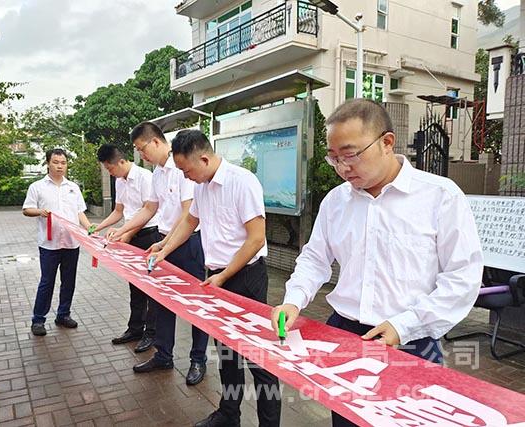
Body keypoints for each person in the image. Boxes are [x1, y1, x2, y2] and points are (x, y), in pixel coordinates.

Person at [270, 99, 484, 427]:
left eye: (351, 154)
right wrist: (293, 300)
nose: (342, 168)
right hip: (344, 333)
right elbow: (315, 259)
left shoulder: (440, 197)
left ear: (386, 143)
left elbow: (463, 277)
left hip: (409, 339)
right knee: (346, 420)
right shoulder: (336, 201)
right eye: (334, 158)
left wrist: (405, 325)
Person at [149, 129, 281, 427]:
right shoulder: (202, 186)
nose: (185, 177)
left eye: (187, 170)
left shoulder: (242, 182)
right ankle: (228, 414)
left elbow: (256, 239)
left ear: (204, 158)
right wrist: (164, 247)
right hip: (217, 277)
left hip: (245, 277)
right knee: (226, 351)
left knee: (257, 356)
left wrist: (223, 277)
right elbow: (190, 222)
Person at [110, 122, 209, 386]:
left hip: (187, 244)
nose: (141, 155)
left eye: (142, 149)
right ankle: (163, 354)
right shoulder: (156, 173)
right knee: (161, 302)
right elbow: (149, 209)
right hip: (163, 243)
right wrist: (124, 230)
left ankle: (198, 359)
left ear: (155, 142)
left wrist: (167, 243)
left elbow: (190, 214)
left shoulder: (182, 167)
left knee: (195, 305)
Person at [93, 144, 161, 353]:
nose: (110, 173)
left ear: (121, 161)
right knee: (135, 286)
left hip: (149, 235)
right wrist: (98, 226)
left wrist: (125, 232)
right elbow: (118, 211)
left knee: (151, 289)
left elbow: (147, 212)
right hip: (130, 235)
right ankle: (135, 329)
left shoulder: (145, 178)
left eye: (110, 169)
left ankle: (151, 334)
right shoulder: (120, 181)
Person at [23, 148, 93, 337]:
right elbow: (26, 209)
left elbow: (80, 213)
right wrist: (40, 212)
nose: (60, 166)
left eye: (63, 163)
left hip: (71, 243)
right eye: (56, 162)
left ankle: (63, 314)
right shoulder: (37, 187)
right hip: (49, 244)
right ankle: (38, 320)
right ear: (48, 163)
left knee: (68, 281)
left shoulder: (73, 187)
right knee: (47, 282)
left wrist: (89, 228)